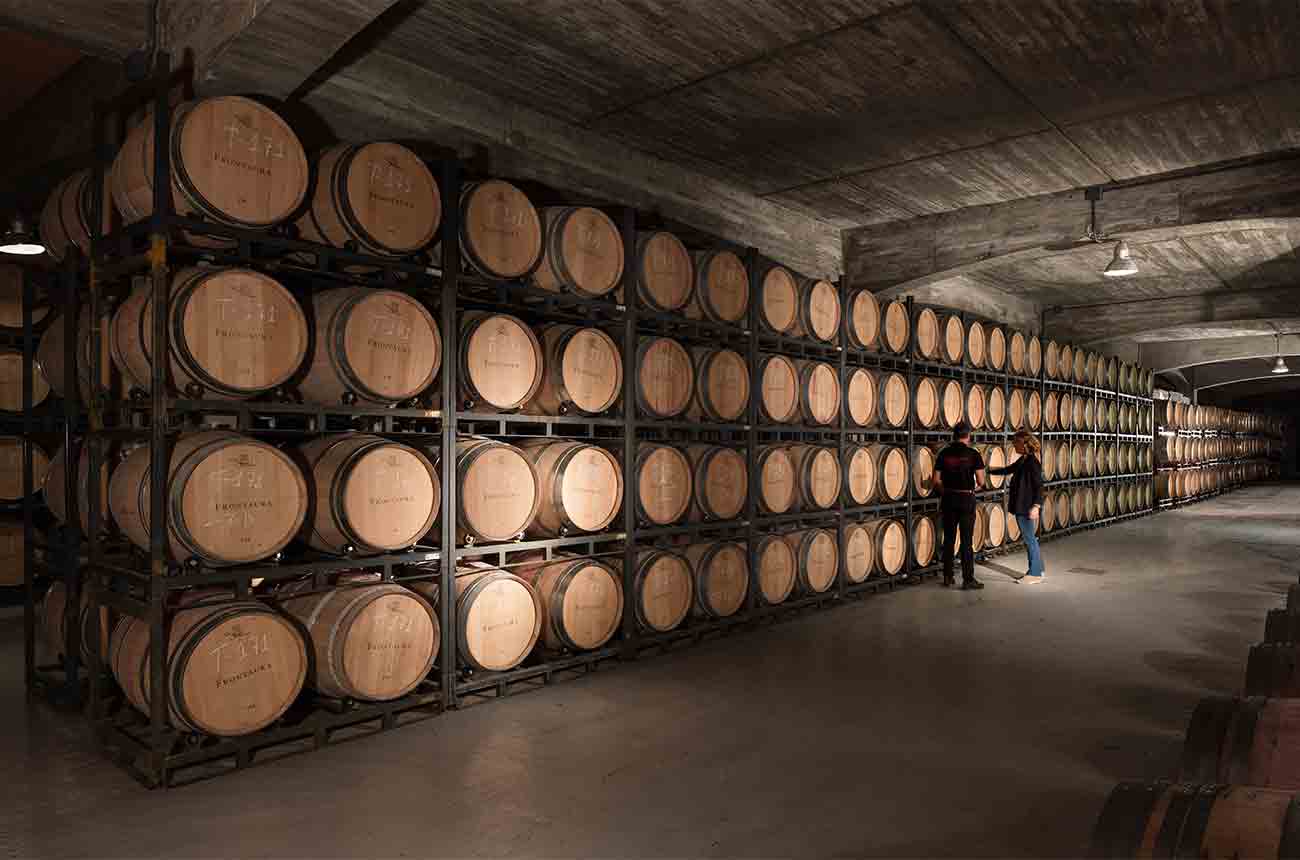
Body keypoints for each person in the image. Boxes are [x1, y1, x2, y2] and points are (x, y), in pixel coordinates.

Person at [931, 421, 986, 589]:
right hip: (966, 500)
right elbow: (982, 481)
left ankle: (948, 577)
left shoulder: (943, 453)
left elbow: (935, 481)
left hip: (948, 499)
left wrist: (947, 490)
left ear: (954, 435)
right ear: (968, 436)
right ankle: (968, 579)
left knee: (948, 539)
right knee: (966, 541)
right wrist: (970, 489)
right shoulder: (973, 454)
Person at [987, 430, 1046, 583]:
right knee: (1031, 538)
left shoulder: (1032, 462)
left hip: (1026, 506)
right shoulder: (1024, 460)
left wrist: (1036, 506)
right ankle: (1038, 569)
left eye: (1015, 442)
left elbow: (1039, 486)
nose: (1013, 445)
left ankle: (1034, 574)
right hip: (1023, 504)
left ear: (1023, 444)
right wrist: (988, 470)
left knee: (1029, 539)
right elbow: (1008, 470)